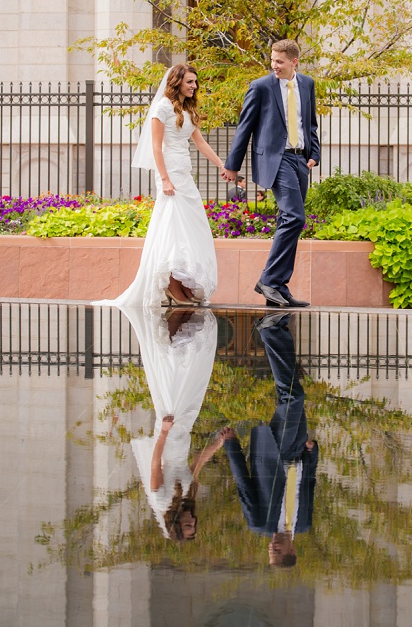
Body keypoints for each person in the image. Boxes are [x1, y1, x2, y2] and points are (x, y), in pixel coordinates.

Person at [112, 64, 223, 310]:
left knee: (188, 227)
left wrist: (221, 164)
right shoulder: (162, 108)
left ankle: (181, 281)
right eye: (190, 82)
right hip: (169, 172)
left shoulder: (188, 109)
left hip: (184, 172)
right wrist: (164, 179)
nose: (194, 86)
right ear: (177, 83)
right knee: (172, 226)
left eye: (195, 82)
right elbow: (156, 146)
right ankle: (171, 283)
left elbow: (200, 142)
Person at [221, 39, 320, 307]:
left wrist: (315, 154)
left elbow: (310, 123)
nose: (274, 66)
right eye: (272, 61)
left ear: (294, 62)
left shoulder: (307, 84)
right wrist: (233, 165)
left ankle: (278, 285)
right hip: (276, 161)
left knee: (291, 222)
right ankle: (269, 280)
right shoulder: (261, 86)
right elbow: (245, 126)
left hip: (301, 160)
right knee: (294, 216)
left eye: (279, 61)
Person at [122, 305, 230, 542]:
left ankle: (172, 324)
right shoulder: (190, 493)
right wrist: (219, 443)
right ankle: (185, 314)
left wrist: (163, 432)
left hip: (168, 436)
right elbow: (198, 461)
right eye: (194, 524)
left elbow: (154, 465)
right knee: (189, 385)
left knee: (173, 384)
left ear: (177, 525)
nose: (192, 521)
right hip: (184, 433)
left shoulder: (162, 500)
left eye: (188, 525)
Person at [222, 312, 318, 568]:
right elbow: (308, 487)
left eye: (270, 552)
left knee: (292, 398)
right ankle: (277, 329)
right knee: (293, 394)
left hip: (275, 452)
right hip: (297, 452)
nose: (272, 547)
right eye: (278, 551)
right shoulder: (304, 523)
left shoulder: (259, 523)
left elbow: (244, 487)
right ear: (291, 551)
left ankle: (270, 331)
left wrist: (232, 446)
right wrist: (312, 455)